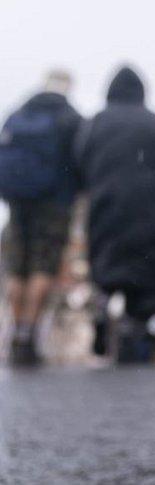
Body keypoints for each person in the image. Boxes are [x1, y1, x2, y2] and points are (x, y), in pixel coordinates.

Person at [75, 66, 155, 363]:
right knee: (144, 269)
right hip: (149, 207)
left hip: (106, 204)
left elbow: (79, 162)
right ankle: (135, 326)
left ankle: (103, 309)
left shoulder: (95, 122)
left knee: (106, 265)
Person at [0, 70, 82, 365]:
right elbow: (80, 160)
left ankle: (14, 328)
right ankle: (29, 332)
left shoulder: (19, 113)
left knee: (17, 268)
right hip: (54, 203)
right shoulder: (70, 118)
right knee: (42, 266)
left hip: (17, 202)